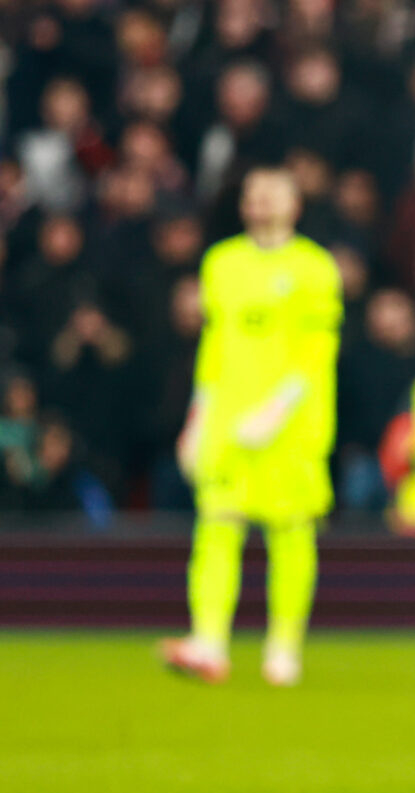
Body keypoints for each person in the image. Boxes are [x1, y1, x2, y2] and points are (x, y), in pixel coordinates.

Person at [160, 167, 342, 687]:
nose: (259, 201)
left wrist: (278, 409)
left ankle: (284, 646)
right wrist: (198, 417)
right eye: (252, 193)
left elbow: (317, 349)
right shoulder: (222, 263)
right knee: (217, 525)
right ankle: (209, 642)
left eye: (271, 193)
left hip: (293, 425)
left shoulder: (314, 267)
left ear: (295, 204)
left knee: (291, 530)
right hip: (228, 419)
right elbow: (215, 344)